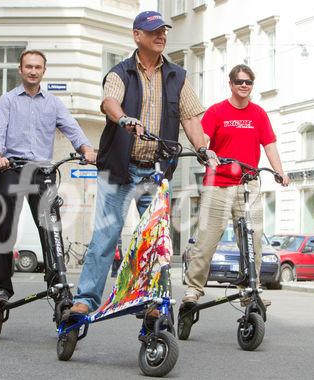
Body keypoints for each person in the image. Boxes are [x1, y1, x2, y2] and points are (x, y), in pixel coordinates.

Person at [71, 11, 216, 314]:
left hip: (155, 171)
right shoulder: (120, 72)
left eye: (163, 31)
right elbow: (110, 101)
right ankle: (85, 301)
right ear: (137, 35)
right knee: (106, 237)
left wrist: (203, 148)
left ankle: (150, 301)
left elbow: (190, 118)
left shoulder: (178, 76)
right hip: (119, 169)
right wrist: (123, 118)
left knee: (155, 242)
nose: (161, 36)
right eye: (153, 32)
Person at [0, 49, 96, 302]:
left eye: (38, 67)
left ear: (43, 71)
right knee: (5, 227)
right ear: (21, 70)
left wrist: (86, 149)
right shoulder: (8, 100)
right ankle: (2, 288)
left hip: (41, 172)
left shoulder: (53, 103)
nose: (33, 71)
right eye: (29, 67)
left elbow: (72, 127)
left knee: (49, 228)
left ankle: (56, 281)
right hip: (11, 168)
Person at [182, 64, 289, 305]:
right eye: (239, 81)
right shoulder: (217, 112)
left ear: (252, 86)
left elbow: (269, 145)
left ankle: (251, 288)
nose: (244, 85)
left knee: (254, 239)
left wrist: (279, 172)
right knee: (206, 240)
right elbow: (204, 139)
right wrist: (206, 150)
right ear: (231, 84)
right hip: (217, 184)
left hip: (248, 186)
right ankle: (193, 290)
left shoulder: (259, 114)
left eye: (248, 82)